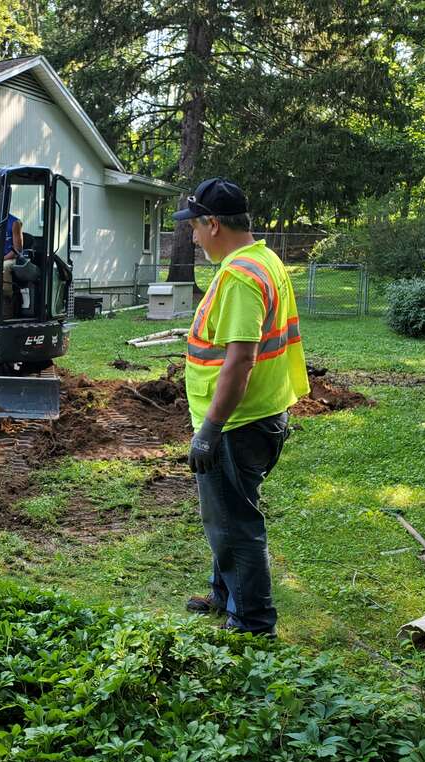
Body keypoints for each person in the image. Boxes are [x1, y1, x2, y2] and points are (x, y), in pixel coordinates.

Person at [175, 178, 309, 637]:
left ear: (213, 224)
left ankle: (252, 621)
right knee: (227, 514)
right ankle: (223, 592)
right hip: (265, 412)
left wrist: (210, 428)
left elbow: (241, 358)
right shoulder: (265, 261)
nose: (192, 237)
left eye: (194, 227)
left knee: (234, 521)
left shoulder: (238, 276)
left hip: (237, 422)